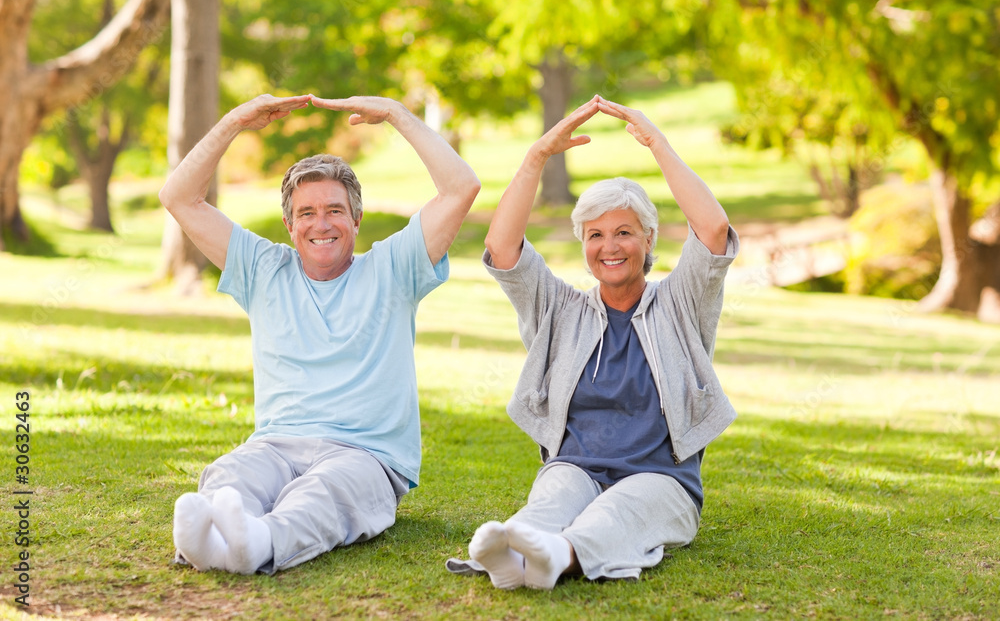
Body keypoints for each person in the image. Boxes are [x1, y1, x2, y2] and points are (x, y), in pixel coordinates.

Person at [160, 93, 481, 574]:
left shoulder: (394, 268)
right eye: (307, 213)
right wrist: (235, 121)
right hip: (276, 444)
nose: (321, 224)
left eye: (334, 210)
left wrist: (395, 114)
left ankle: (258, 542)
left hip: (365, 455)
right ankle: (211, 542)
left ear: (356, 219)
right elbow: (179, 197)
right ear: (289, 225)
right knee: (231, 473)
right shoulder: (263, 269)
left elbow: (460, 189)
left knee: (324, 491)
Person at [446, 95, 739, 589]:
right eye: (595, 235)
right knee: (550, 502)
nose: (610, 247)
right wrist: (537, 156)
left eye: (624, 232)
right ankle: (514, 552)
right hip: (575, 469)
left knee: (616, 513)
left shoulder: (681, 303)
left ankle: (553, 557)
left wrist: (657, 143)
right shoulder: (560, 310)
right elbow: (502, 247)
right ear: (583, 245)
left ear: (649, 240)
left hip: (661, 481)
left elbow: (713, 230)